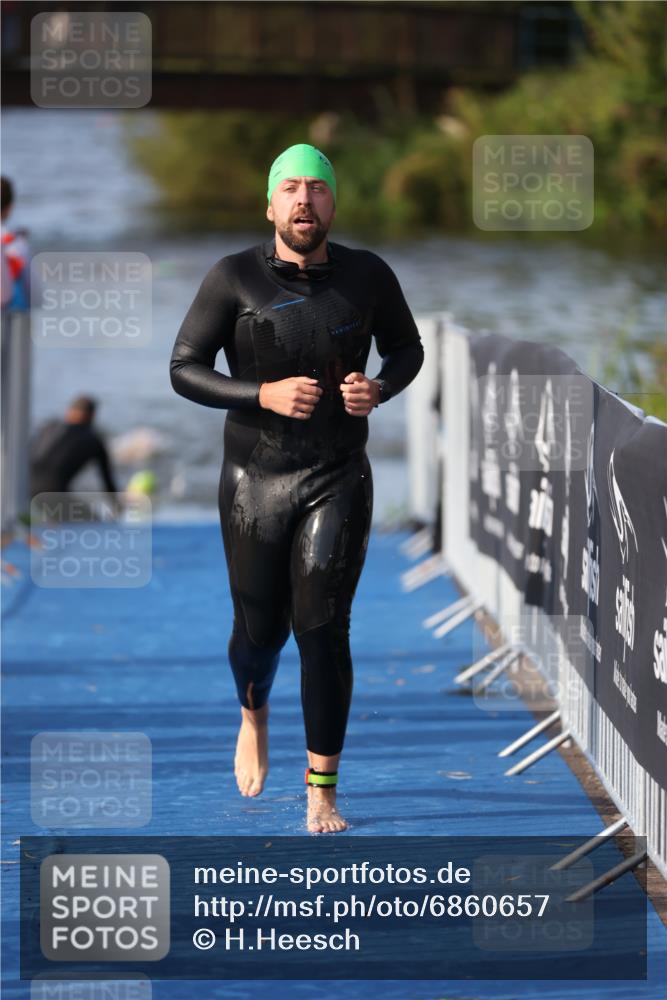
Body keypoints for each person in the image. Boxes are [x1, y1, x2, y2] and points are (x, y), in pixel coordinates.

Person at [170, 143, 424, 833]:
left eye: (316, 188)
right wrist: (262, 393)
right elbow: (184, 367)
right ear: (270, 205)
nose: (304, 199)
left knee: (323, 629)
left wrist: (379, 387)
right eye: (290, 188)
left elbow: (408, 349)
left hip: (337, 475)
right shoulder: (233, 278)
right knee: (259, 632)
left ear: (333, 204)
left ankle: (322, 789)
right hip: (254, 480)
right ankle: (253, 712)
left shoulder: (368, 276)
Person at [29, 395, 120, 510]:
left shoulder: (49, 427)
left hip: (23, 490)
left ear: (69, 411)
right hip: (53, 496)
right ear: (91, 416)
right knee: (96, 523)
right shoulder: (93, 440)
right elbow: (108, 482)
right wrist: (119, 508)